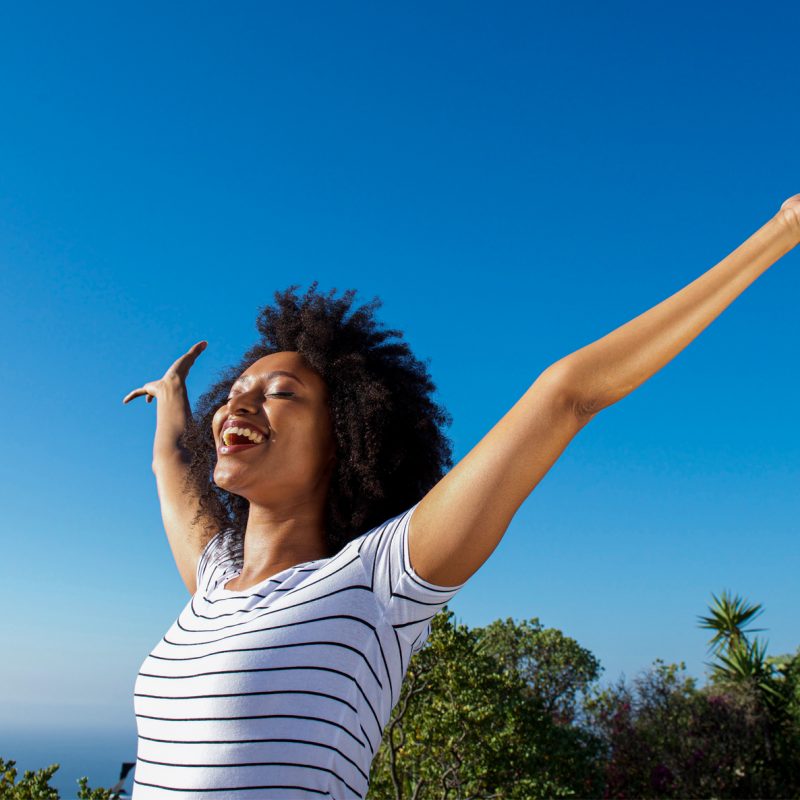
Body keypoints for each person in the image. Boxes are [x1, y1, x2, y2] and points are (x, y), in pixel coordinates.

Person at [122, 195, 800, 798]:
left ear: (345, 441)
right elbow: (169, 469)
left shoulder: (374, 582)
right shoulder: (212, 581)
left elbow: (565, 396)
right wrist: (173, 400)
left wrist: (783, 229)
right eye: (235, 392)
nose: (241, 402)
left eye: (280, 393)